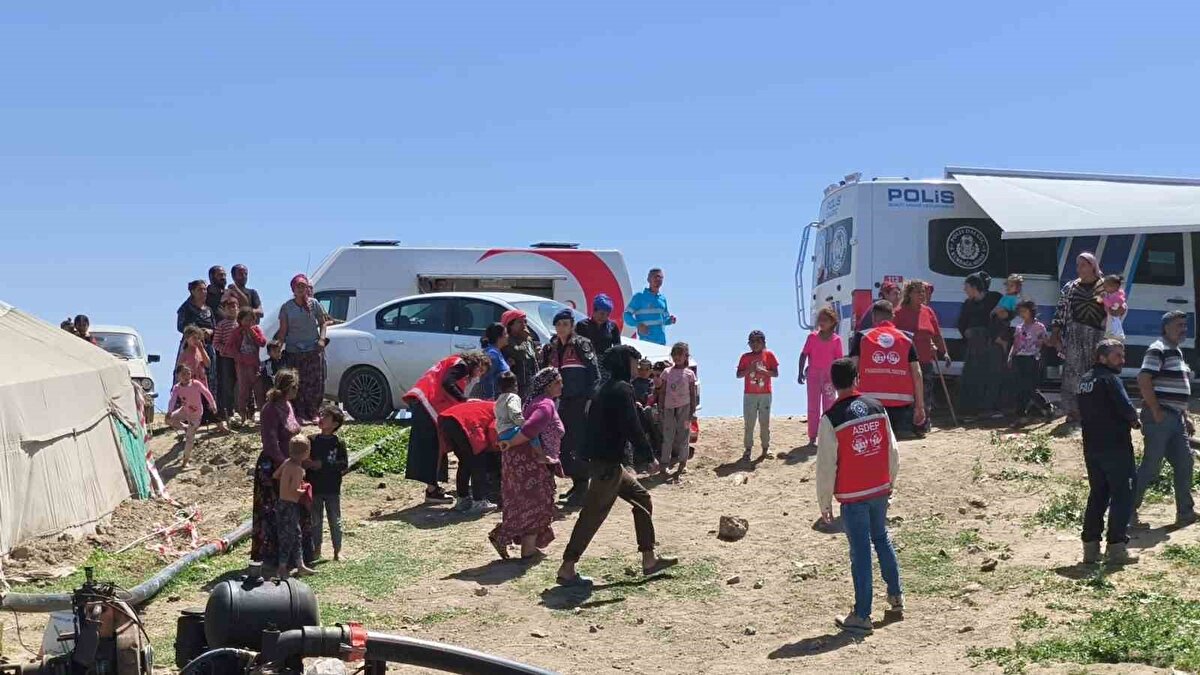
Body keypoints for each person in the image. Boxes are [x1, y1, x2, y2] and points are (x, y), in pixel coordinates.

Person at [556, 345, 678, 587]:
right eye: (634, 361)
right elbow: (632, 426)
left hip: (609, 463)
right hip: (607, 465)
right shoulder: (622, 389)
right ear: (625, 362)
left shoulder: (605, 388)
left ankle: (649, 559)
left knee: (641, 498)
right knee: (592, 515)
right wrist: (648, 457)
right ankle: (567, 567)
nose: (637, 366)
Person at [816, 358, 903, 635]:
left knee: (861, 551)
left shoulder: (832, 417)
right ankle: (896, 596)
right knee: (881, 538)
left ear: (832, 383)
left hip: (853, 494)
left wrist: (824, 502)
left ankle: (862, 615)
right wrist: (890, 481)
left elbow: (826, 464)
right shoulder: (877, 407)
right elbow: (892, 448)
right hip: (879, 487)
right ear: (857, 378)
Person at [490, 367, 566, 559]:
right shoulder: (545, 405)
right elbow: (530, 429)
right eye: (558, 382)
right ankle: (525, 548)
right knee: (535, 501)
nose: (561, 385)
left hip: (520, 458)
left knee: (523, 500)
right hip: (529, 459)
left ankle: (515, 541)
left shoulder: (536, 401)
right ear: (548, 385)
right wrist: (509, 443)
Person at [1077, 339, 1140, 565]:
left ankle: (1090, 549)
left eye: (1122, 356)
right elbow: (1126, 409)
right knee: (1123, 494)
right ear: (1102, 357)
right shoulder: (1110, 379)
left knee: (1098, 495)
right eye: (1117, 356)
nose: (1122, 361)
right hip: (1116, 447)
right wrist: (1135, 421)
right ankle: (1116, 548)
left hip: (1092, 447)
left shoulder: (1084, 380)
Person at [1131, 311, 1196, 529]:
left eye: (1185, 326)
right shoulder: (1157, 348)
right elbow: (1143, 378)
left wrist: (1185, 416)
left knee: (1185, 462)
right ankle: (1127, 510)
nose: (1183, 330)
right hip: (1160, 417)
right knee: (1151, 466)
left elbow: (1177, 388)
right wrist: (1155, 409)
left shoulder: (1175, 351)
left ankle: (1185, 512)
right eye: (1179, 325)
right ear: (1166, 327)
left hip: (1175, 418)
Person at [403, 351, 490, 503]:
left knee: (434, 447)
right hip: (428, 403)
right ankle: (432, 491)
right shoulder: (461, 366)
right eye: (480, 370)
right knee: (434, 448)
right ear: (477, 363)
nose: (479, 376)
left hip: (424, 403)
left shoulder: (453, 362)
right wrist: (464, 400)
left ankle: (433, 488)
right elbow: (447, 383)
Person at [540, 309, 600, 506]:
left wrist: (590, 400)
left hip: (579, 401)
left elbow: (594, 373)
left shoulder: (581, 344)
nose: (562, 328)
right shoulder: (553, 347)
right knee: (563, 443)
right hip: (561, 401)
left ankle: (583, 486)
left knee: (575, 443)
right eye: (559, 324)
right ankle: (578, 483)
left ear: (572, 325)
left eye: (566, 324)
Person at [1050, 253, 1113, 424]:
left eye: (1083, 265)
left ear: (1093, 266)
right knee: (1073, 373)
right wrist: (1055, 336)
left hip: (1097, 336)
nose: (1079, 269)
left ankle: (1096, 410)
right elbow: (1060, 312)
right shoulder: (1070, 287)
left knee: (1096, 373)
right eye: (1077, 265)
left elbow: (1117, 308)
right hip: (1075, 335)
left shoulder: (1105, 286)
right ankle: (1073, 411)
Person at [850, 301, 926, 438]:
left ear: (873, 317)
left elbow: (851, 369)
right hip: (903, 405)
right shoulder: (907, 338)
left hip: (870, 404)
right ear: (892, 316)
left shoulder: (862, 336)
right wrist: (919, 406)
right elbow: (917, 373)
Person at [254, 369, 302, 576]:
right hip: (273, 467)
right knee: (272, 511)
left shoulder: (288, 406)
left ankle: (292, 556)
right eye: (294, 387)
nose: (296, 390)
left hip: (290, 465)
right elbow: (270, 442)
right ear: (286, 387)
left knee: (291, 511)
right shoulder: (270, 409)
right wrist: (284, 464)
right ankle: (271, 556)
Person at [274, 274, 331, 423]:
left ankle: (313, 413)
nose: (300, 288)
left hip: (313, 349)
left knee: (314, 383)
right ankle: (298, 414)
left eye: (303, 286)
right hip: (294, 351)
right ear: (293, 288)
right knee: (297, 383)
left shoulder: (314, 304)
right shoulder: (287, 307)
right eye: (297, 286)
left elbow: (323, 322)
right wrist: (279, 346)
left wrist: (322, 339)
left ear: (307, 288)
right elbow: (283, 330)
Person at [894, 280, 950, 429]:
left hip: (925, 359)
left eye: (923, 292)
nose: (922, 295)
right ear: (909, 294)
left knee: (925, 392)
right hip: (906, 361)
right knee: (909, 392)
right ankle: (907, 423)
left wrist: (944, 352)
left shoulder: (928, 311)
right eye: (918, 292)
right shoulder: (899, 313)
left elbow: (937, 334)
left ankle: (923, 422)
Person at [439, 399, 502, 515]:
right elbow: (493, 430)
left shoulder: (490, 404)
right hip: (465, 423)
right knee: (478, 462)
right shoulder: (501, 410)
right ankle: (479, 502)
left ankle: (462, 500)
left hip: (449, 419)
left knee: (465, 462)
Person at [957, 271, 1005, 419]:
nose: (965, 290)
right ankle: (971, 410)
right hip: (975, 345)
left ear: (974, 287)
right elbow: (962, 323)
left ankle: (989, 408)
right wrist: (968, 333)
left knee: (992, 375)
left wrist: (995, 336)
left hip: (992, 343)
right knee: (973, 376)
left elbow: (1003, 318)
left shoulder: (995, 298)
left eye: (967, 287)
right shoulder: (968, 303)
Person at [307, 404, 348, 562]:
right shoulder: (311, 440)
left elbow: (343, 464)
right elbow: (304, 459)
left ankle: (337, 550)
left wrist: (323, 465)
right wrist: (308, 464)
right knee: (315, 521)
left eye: (326, 417)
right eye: (321, 415)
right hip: (315, 487)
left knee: (335, 519)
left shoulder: (338, 443)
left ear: (335, 424)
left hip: (332, 488)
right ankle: (316, 550)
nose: (321, 419)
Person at [273, 435, 317, 578]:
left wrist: (285, 481)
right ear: (306, 453)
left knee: (295, 534)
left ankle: (300, 564)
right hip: (290, 505)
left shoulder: (287, 462)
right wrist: (305, 489)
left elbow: (275, 475)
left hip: (281, 503)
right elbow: (294, 490)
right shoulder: (298, 470)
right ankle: (282, 567)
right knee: (289, 536)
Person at [798, 307, 844, 445]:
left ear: (832, 322)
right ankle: (812, 436)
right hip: (813, 376)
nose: (821, 322)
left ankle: (828, 435)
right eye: (820, 320)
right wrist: (800, 372)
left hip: (829, 377)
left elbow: (839, 360)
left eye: (825, 320)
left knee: (829, 407)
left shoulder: (836, 340)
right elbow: (804, 354)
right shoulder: (812, 337)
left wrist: (839, 378)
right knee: (813, 406)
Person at [737, 330, 780, 460]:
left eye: (758, 341)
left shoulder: (769, 355)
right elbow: (738, 374)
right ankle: (748, 449)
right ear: (749, 343)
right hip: (750, 394)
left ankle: (765, 448)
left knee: (764, 422)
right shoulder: (745, 357)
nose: (755, 344)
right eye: (752, 341)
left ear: (763, 342)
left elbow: (775, 373)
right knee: (749, 423)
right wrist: (749, 369)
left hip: (765, 394)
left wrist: (764, 371)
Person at [659, 342, 699, 478]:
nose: (677, 357)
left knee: (684, 435)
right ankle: (664, 464)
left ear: (686, 356)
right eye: (674, 354)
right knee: (668, 436)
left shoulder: (689, 374)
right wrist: (661, 408)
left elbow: (692, 393)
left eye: (680, 354)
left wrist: (692, 411)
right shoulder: (666, 372)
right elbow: (663, 391)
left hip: (685, 409)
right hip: (669, 408)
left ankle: (683, 463)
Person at [166, 363, 217, 464]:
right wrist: (169, 411)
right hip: (184, 410)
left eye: (188, 373)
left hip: (196, 415)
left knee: (189, 438)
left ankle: (186, 460)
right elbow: (172, 400)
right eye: (183, 374)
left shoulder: (196, 384)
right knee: (169, 420)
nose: (186, 376)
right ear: (178, 376)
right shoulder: (177, 388)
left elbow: (207, 393)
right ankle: (185, 427)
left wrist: (213, 405)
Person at [1009, 300, 1048, 420]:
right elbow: (1015, 343)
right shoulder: (1019, 327)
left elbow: (1043, 342)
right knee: (1020, 387)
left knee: (1030, 387)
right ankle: (1020, 414)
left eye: (1024, 311)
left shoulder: (1039, 327)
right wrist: (1011, 356)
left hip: (1032, 358)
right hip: (1020, 357)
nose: (1022, 314)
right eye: (1020, 311)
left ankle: (1046, 406)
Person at [177, 279, 216, 385]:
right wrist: (196, 332)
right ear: (193, 291)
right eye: (200, 290)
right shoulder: (185, 308)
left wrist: (210, 331)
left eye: (205, 289)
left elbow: (214, 326)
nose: (203, 292)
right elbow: (180, 326)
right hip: (190, 345)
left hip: (207, 347)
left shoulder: (208, 310)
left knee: (209, 374)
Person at [231, 308, 268, 422]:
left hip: (254, 364)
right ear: (240, 320)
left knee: (258, 389)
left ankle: (263, 413)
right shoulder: (237, 332)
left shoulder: (256, 329)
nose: (248, 323)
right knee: (243, 390)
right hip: (242, 365)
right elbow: (230, 347)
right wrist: (238, 357)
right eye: (245, 320)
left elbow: (262, 342)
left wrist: (253, 333)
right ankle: (242, 414)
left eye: (250, 320)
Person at [624, 268, 676, 345]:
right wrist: (638, 324)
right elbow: (626, 315)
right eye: (656, 277)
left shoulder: (662, 299)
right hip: (646, 343)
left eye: (661, 278)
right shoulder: (639, 297)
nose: (658, 279)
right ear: (649, 279)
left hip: (661, 343)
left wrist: (670, 320)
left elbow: (664, 319)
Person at [500, 309, 540, 400]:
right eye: (519, 322)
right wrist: (524, 339)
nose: (524, 325)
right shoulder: (507, 340)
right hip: (517, 385)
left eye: (525, 322)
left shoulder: (527, 339)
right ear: (510, 325)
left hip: (531, 382)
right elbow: (518, 353)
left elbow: (533, 357)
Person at [213, 295, 241, 424]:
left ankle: (243, 411)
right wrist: (225, 350)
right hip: (227, 359)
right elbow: (216, 343)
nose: (232, 309)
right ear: (224, 310)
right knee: (228, 385)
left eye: (234, 307)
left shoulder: (241, 324)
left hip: (241, 358)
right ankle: (228, 412)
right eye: (228, 307)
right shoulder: (221, 325)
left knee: (241, 384)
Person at [576, 294, 622, 358]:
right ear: (594, 311)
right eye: (602, 313)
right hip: (585, 361)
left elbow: (618, 347)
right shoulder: (581, 325)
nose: (604, 317)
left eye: (607, 315)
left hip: (605, 363)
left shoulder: (613, 327)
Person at [477, 323, 511, 401]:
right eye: (505, 334)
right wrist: (490, 398)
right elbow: (486, 378)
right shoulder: (492, 354)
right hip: (494, 399)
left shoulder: (496, 351)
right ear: (499, 337)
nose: (508, 336)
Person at [178, 325, 213, 390]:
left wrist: (202, 350)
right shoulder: (184, 354)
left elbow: (208, 364)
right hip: (190, 384)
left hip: (202, 383)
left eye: (198, 338)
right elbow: (179, 371)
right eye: (194, 338)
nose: (196, 340)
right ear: (187, 339)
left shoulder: (200, 351)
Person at [1101, 274, 1127, 339]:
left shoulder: (1117, 296)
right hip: (1111, 312)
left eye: (1106, 286)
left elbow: (1109, 305)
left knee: (1113, 324)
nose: (1104, 288)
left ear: (1115, 287)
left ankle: (1114, 335)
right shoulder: (1112, 294)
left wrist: (1104, 298)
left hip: (1114, 311)